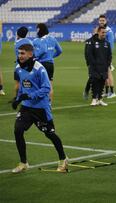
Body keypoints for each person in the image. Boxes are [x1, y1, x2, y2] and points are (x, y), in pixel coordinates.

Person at [11, 44, 68, 173]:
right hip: (26, 107)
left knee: (50, 134)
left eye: (22, 53)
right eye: (19, 53)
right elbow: (22, 86)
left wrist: (30, 95)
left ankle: (63, 159)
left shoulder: (39, 68)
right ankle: (23, 162)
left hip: (40, 108)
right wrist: (18, 98)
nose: (20, 56)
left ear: (30, 54)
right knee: (18, 130)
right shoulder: (18, 68)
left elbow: (46, 88)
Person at [84, 15, 116, 99]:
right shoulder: (97, 29)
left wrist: (109, 57)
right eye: (100, 20)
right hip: (99, 56)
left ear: (106, 21)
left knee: (108, 73)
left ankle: (112, 92)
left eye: (103, 20)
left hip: (105, 56)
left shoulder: (109, 31)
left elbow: (111, 45)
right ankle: (106, 91)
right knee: (103, 74)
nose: (102, 22)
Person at [33, 23, 62, 102]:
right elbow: (60, 50)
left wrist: (35, 57)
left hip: (41, 64)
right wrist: (52, 56)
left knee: (39, 85)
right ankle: (49, 105)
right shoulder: (53, 38)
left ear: (39, 30)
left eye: (37, 29)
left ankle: (40, 104)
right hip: (50, 64)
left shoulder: (37, 40)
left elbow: (41, 51)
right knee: (49, 86)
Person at [85, 26, 112, 106]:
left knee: (102, 82)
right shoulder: (92, 42)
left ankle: (100, 99)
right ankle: (94, 99)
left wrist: (108, 64)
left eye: (105, 33)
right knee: (95, 82)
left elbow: (109, 55)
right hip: (94, 67)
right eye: (103, 32)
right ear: (99, 32)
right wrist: (93, 64)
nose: (104, 34)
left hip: (104, 67)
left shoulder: (107, 43)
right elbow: (89, 54)